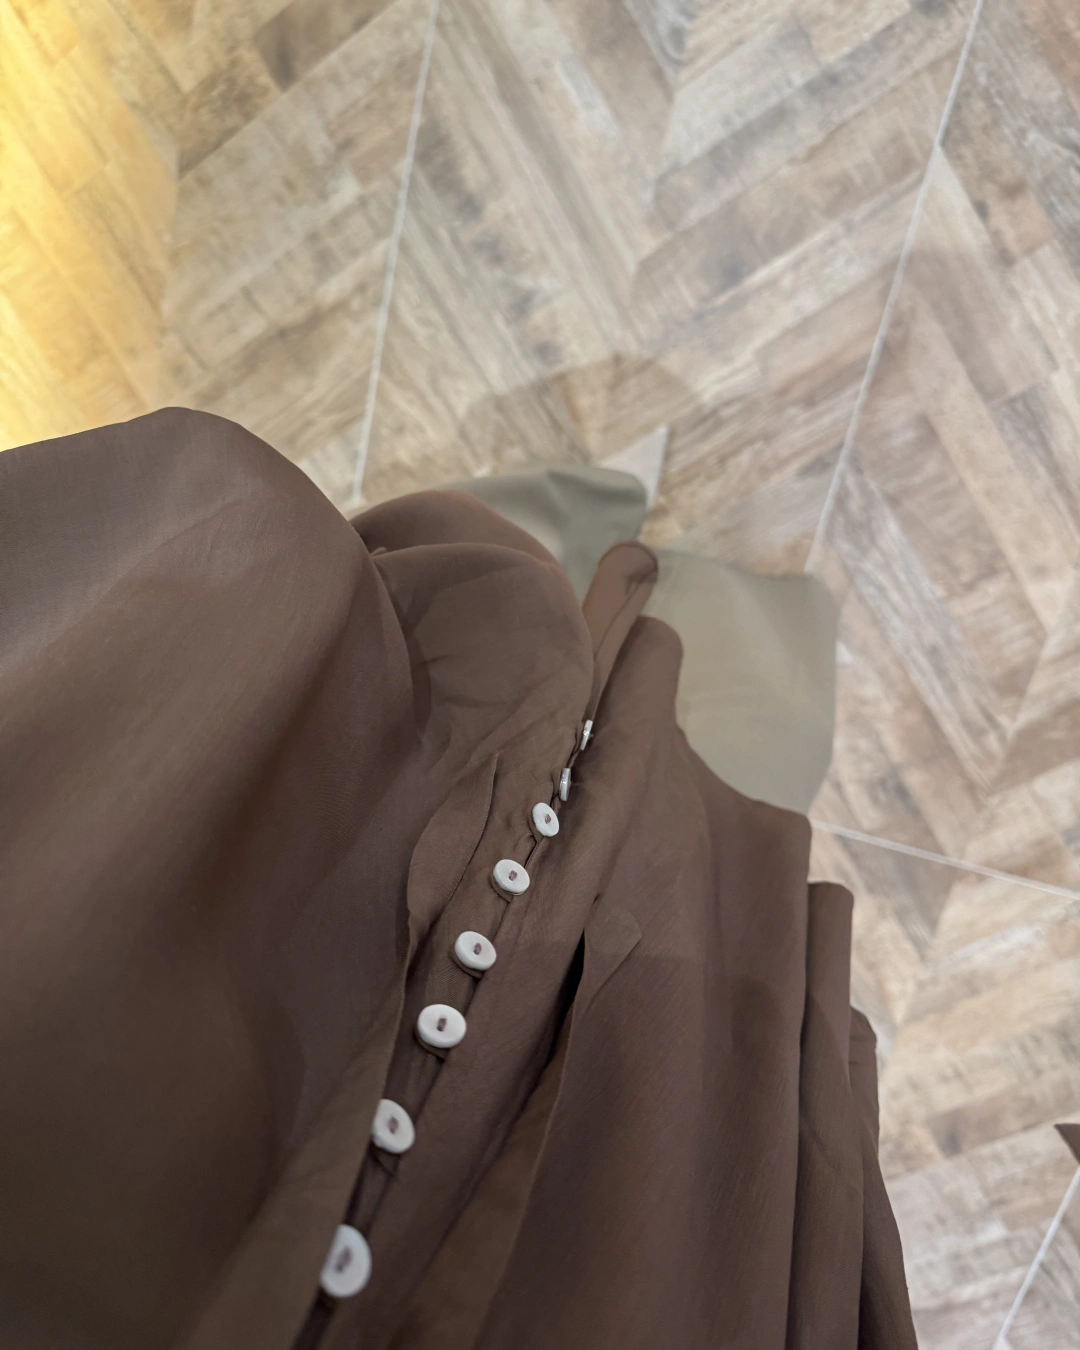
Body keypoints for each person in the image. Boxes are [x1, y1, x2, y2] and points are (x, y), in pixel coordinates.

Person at [0, 407, 915, 1349]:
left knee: (497, 584)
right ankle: (743, 586)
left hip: (373, 745)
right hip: (675, 1068)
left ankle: (599, 493)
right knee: (757, 722)